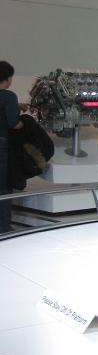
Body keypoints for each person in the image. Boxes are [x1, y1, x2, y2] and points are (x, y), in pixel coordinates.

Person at [0, 60, 22, 233]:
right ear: (7, 78)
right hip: (2, 145)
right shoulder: (9, 96)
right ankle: (4, 227)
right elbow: (13, 123)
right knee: (3, 187)